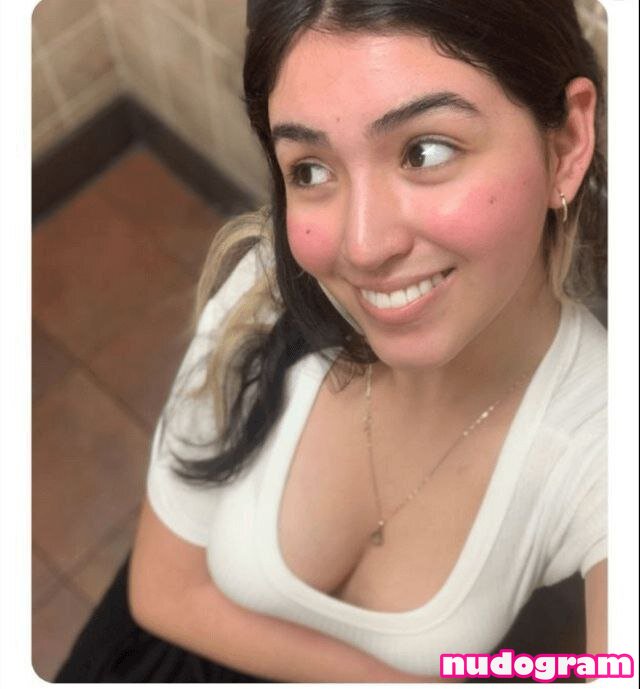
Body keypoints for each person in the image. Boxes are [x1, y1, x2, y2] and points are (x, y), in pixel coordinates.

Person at [56, 0, 607, 682]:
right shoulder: (263, 294)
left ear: (565, 143)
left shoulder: (604, 436)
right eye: (311, 170)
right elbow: (161, 591)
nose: (363, 247)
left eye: (426, 151)